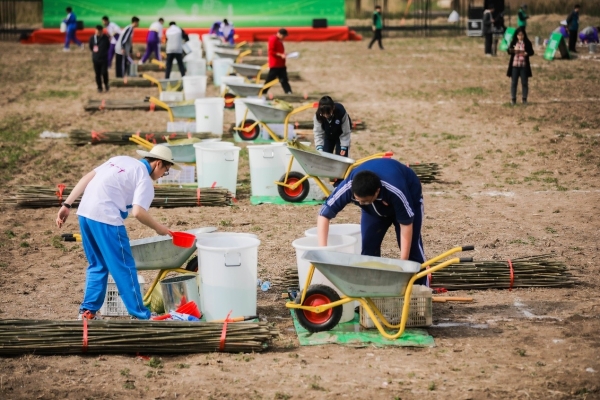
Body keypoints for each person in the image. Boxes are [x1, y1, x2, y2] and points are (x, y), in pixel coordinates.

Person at [55, 145, 181, 320]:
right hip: (106, 217)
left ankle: (87, 312)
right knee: (124, 267)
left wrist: (67, 204)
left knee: (97, 264)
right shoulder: (144, 178)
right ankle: (140, 314)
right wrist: (159, 228)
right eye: (165, 171)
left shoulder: (119, 160)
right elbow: (138, 212)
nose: (162, 176)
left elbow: (88, 177)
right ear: (158, 164)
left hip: (84, 213)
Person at [316, 158, 427, 285]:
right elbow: (323, 215)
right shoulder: (349, 186)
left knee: (412, 252)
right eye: (359, 201)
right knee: (368, 250)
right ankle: (373, 289)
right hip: (373, 212)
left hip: (409, 200)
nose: (361, 204)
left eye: (365, 201)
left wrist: (403, 265)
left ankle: (419, 289)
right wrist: (323, 252)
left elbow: (406, 225)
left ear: (377, 191)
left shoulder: (395, 189)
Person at [507, 27, 534, 106]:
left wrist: (527, 53)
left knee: (524, 83)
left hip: (524, 66)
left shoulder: (527, 43)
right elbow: (508, 51)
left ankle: (524, 99)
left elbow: (532, 52)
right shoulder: (513, 42)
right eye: (518, 35)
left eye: (522, 35)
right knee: (514, 83)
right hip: (515, 66)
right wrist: (513, 49)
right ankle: (513, 99)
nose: (520, 37)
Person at [265, 28, 292, 94]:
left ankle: (288, 92)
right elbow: (271, 51)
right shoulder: (273, 39)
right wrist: (281, 55)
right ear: (280, 34)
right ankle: (263, 91)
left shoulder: (279, 40)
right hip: (275, 64)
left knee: (284, 79)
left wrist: (284, 54)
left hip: (281, 64)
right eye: (284, 36)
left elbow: (279, 50)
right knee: (270, 79)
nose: (284, 38)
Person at [89, 25, 110, 93]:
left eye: (99, 31)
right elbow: (91, 47)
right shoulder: (92, 38)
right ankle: (99, 87)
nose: (98, 33)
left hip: (104, 59)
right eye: (97, 31)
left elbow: (108, 46)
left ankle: (106, 84)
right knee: (97, 74)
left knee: (104, 72)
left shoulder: (105, 38)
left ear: (102, 31)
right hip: (96, 59)